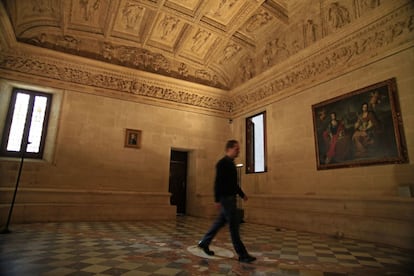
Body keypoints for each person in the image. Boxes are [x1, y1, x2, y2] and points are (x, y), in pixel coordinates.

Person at [198, 140, 256, 263]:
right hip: (227, 200)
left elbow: (233, 184)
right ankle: (242, 254)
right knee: (234, 227)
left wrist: (242, 194)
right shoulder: (222, 163)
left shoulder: (230, 163)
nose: (238, 151)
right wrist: (217, 200)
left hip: (230, 199)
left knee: (219, 223)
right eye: (236, 149)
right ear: (229, 149)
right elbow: (218, 182)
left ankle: (204, 242)